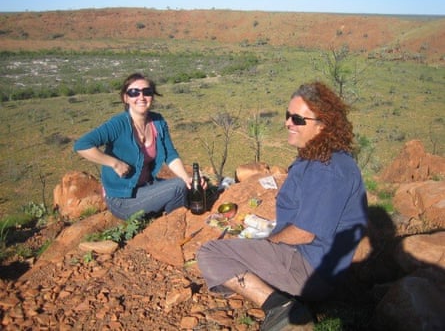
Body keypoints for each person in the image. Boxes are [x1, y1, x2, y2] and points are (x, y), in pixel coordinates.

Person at [197, 82, 368, 330]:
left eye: (298, 119)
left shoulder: (327, 169)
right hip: (316, 263)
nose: (288, 123)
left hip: (309, 269)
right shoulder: (321, 157)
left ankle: (281, 309)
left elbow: (305, 232)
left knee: (210, 253)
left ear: (322, 124)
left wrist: (269, 243)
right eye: (288, 116)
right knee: (243, 248)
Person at [74, 72, 195, 220]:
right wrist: (114, 163)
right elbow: (82, 145)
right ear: (125, 98)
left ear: (152, 96)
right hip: (122, 198)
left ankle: (166, 220)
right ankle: (172, 224)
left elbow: (170, 155)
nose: (141, 97)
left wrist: (186, 177)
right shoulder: (118, 124)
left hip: (146, 188)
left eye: (147, 92)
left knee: (186, 185)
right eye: (134, 93)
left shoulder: (158, 122)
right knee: (177, 187)